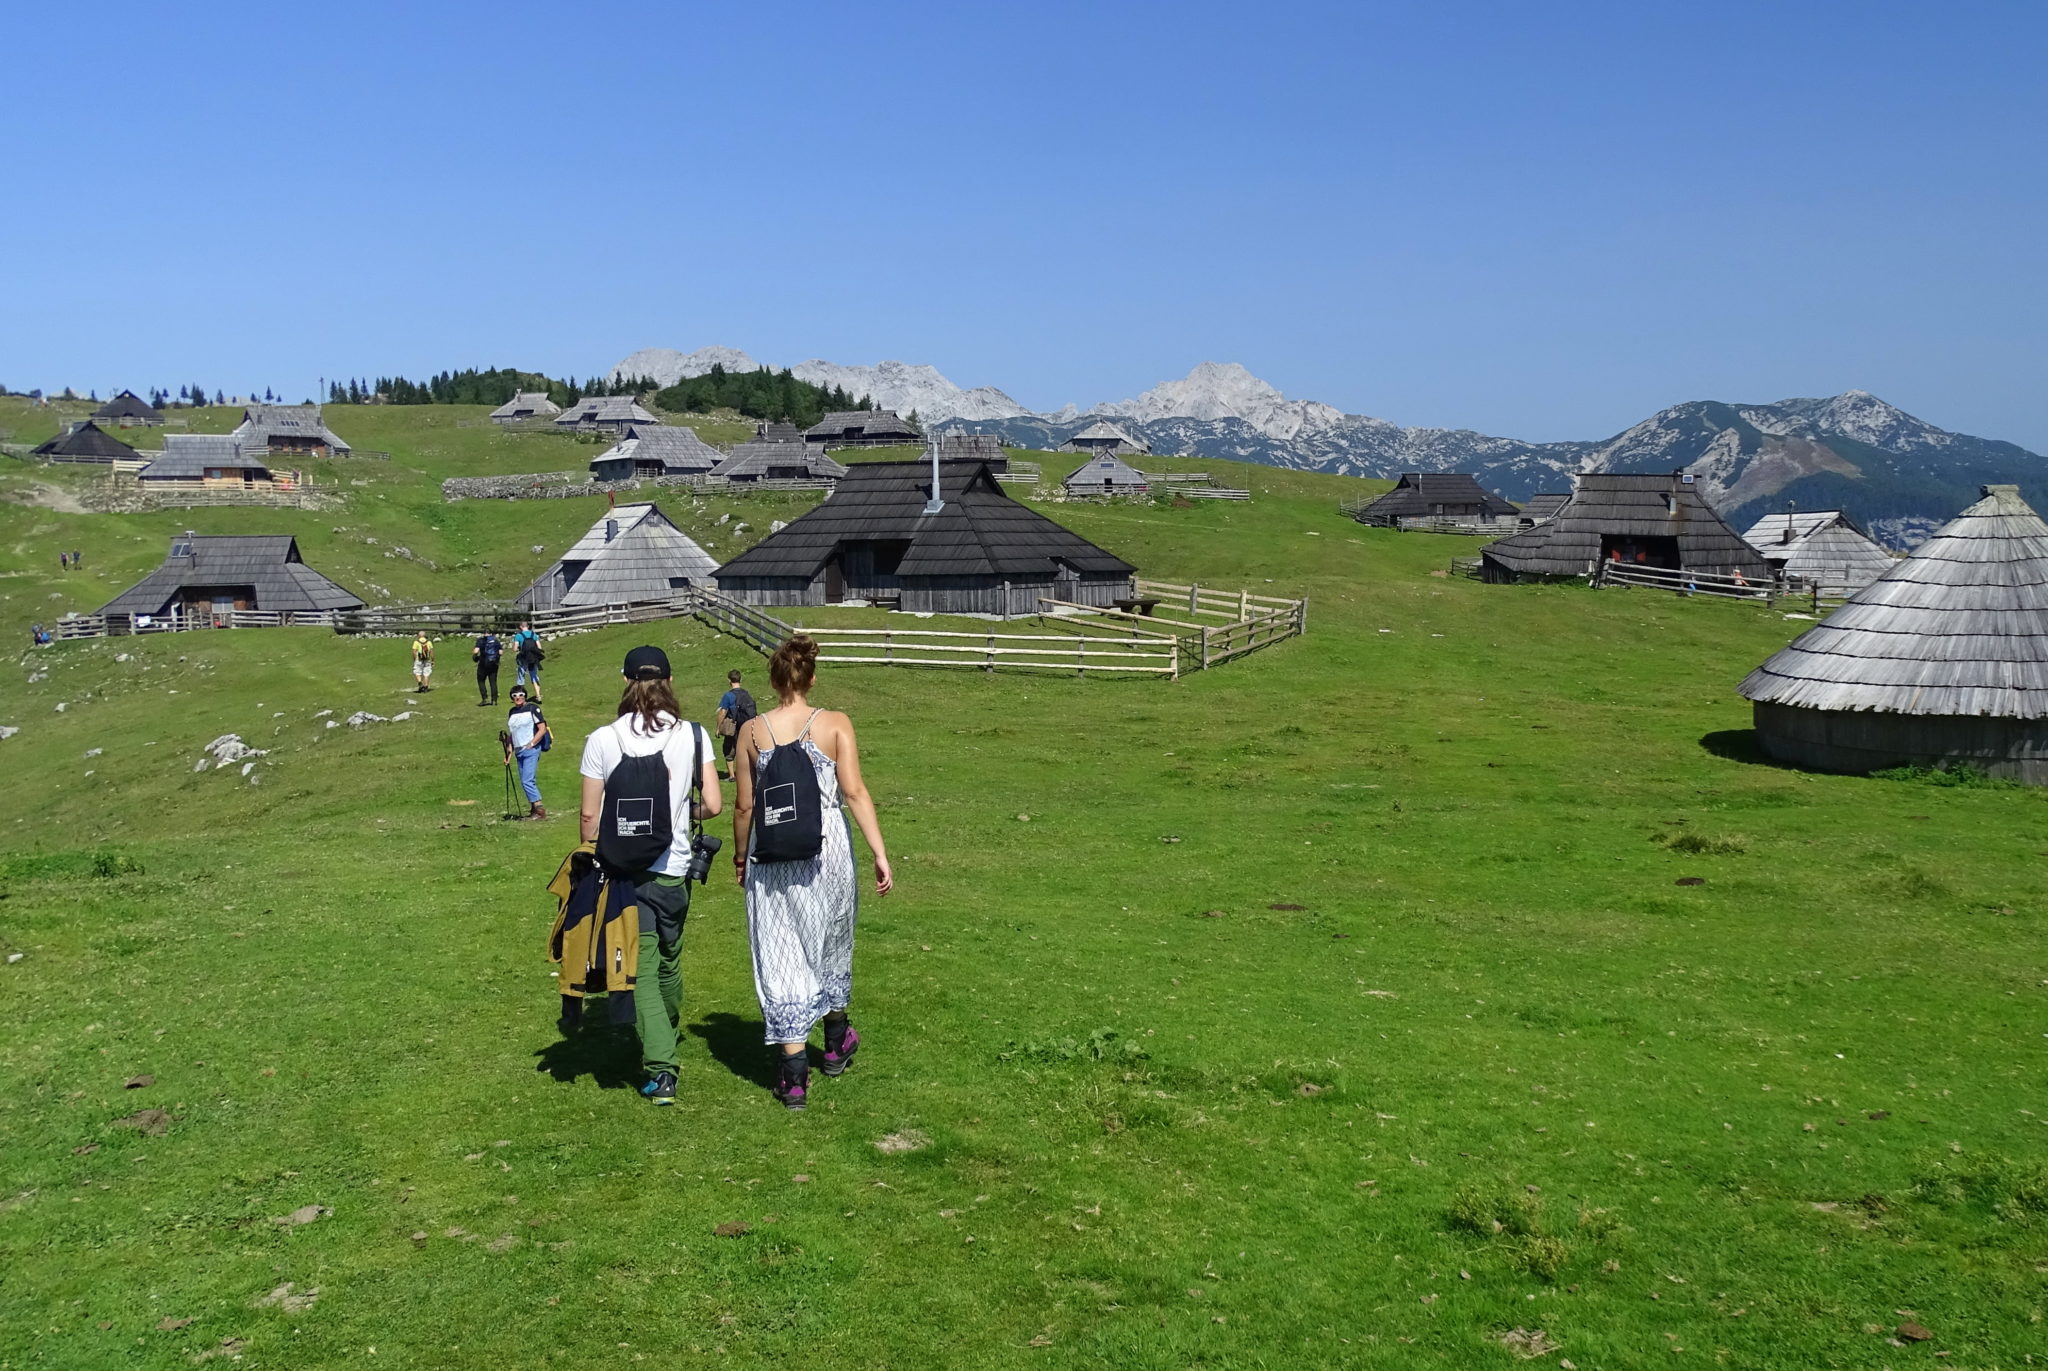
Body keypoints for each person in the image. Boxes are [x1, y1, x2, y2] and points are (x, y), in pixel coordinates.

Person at [732, 634, 892, 1110]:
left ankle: (794, 1075)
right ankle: (837, 1039)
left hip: (773, 856)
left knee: (782, 952)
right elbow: (856, 792)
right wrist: (880, 852)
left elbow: (744, 806)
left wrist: (742, 857)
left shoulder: (751, 734)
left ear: (774, 679)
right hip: (829, 852)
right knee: (832, 938)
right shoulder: (835, 724)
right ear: (811, 678)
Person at [579, 646, 722, 1106]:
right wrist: (682, 812)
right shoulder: (695, 736)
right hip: (674, 869)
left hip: (625, 872)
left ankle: (662, 1070)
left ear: (624, 681)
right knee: (670, 957)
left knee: (639, 967)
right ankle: (667, 1034)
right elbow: (714, 806)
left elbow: (588, 817)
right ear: (671, 681)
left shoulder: (602, 739)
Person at [505, 686, 550, 820]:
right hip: (519, 750)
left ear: (525, 695)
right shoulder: (512, 712)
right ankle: (533, 808)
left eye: (520, 695)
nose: (518, 698)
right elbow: (512, 734)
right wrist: (508, 753)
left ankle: (539, 809)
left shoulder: (532, 708)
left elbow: (542, 729)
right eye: (514, 695)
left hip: (531, 749)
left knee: (527, 780)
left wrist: (532, 743)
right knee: (526, 780)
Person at [714, 669, 756, 779]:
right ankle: (748, 773)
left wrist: (718, 727)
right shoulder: (746, 694)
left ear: (729, 680)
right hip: (747, 726)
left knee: (728, 750)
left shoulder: (728, 696)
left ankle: (732, 776)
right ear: (740, 680)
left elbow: (722, 712)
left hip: (734, 727)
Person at [513, 621, 544, 700]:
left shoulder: (518, 636)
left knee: (521, 677)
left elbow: (515, 649)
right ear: (528, 626)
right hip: (533, 659)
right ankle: (538, 695)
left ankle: (520, 696)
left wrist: (519, 649)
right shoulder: (534, 635)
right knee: (534, 676)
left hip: (523, 658)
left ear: (520, 627)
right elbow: (539, 647)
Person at [473, 628, 504, 706]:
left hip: (483, 663)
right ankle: (494, 700)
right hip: (493, 663)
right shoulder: (496, 640)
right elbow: (501, 652)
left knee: (481, 680)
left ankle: (485, 698)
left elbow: (476, 651)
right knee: (493, 681)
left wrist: (475, 656)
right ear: (491, 633)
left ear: (483, 634)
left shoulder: (481, 640)